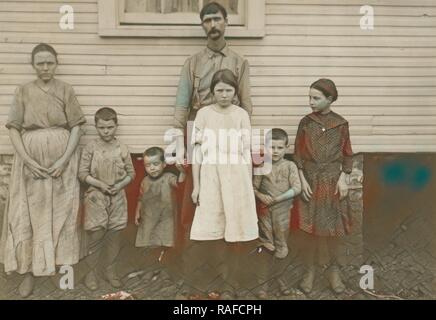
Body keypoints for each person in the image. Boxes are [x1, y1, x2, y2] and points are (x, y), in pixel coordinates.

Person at [0, 43, 86, 298]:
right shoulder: (23, 91)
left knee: (62, 214)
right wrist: (27, 160)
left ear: (56, 63)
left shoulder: (65, 90)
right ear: (33, 65)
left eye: (50, 62)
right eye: (40, 63)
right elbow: (14, 128)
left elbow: (77, 127)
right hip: (30, 162)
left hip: (62, 161)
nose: (45, 67)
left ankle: (63, 271)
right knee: (26, 214)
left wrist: (63, 161)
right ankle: (28, 272)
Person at [173, 1, 253, 232]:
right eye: (207, 21)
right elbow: (181, 107)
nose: (213, 24)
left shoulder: (239, 62)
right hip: (201, 128)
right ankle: (196, 252)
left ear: (226, 22)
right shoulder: (193, 63)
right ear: (202, 26)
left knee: (230, 190)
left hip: (230, 132)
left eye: (217, 19)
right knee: (195, 191)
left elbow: (245, 105)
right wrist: (180, 147)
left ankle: (228, 247)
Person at [188, 69, 258, 300]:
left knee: (234, 230)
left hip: (236, 176)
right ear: (212, 92)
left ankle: (230, 286)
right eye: (219, 90)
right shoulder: (204, 114)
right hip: (210, 175)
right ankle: (207, 283)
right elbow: (196, 152)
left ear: (235, 92)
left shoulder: (241, 115)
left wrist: (248, 184)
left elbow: (247, 152)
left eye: (229, 90)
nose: (224, 95)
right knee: (210, 229)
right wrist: (196, 185)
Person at [293, 78, 353, 294]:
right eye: (309, 97)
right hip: (310, 180)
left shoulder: (341, 124)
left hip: (331, 182)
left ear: (329, 99)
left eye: (316, 98)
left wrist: (343, 178)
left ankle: (333, 271)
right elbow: (298, 153)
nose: (311, 102)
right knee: (309, 229)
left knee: (333, 229)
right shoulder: (306, 123)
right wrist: (301, 178)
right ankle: (309, 271)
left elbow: (347, 154)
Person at [78, 107, 135, 291]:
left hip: (117, 196)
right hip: (96, 196)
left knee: (114, 235)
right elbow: (82, 174)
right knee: (96, 235)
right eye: (102, 128)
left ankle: (110, 271)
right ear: (96, 127)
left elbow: (131, 173)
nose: (106, 131)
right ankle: (91, 273)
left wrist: (119, 185)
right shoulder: (91, 147)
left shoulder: (122, 148)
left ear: (116, 126)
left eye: (110, 127)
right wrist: (99, 184)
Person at [253, 128, 301, 298]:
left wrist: (279, 198)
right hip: (266, 213)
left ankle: (281, 281)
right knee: (266, 247)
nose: (275, 151)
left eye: (280, 148)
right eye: (271, 147)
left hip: (283, 214)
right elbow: (253, 187)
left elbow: (297, 188)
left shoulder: (290, 166)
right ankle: (262, 286)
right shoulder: (262, 166)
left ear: (286, 148)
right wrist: (261, 196)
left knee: (282, 247)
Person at [134, 147, 186, 280]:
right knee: (151, 246)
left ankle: (165, 270)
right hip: (149, 219)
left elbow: (180, 184)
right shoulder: (145, 181)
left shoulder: (169, 178)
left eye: (156, 164)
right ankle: (150, 269)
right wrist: (137, 213)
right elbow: (140, 198)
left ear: (163, 164)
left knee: (166, 245)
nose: (152, 168)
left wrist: (182, 172)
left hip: (166, 219)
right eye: (148, 165)